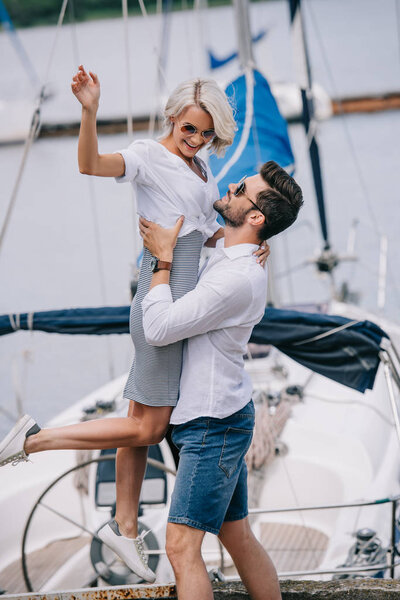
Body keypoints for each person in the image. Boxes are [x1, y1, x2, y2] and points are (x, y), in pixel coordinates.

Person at [0, 67, 268, 582]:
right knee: (150, 425)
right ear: (172, 116)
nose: (196, 140)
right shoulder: (149, 155)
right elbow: (90, 164)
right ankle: (34, 440)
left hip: (180, 290)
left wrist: (256, 241)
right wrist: (89, 111)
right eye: (189, 129)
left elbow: (208, 232)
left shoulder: (201, 171)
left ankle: (123, 532)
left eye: (207, 134)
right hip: (161, 291)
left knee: (138, 422)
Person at [137, 160, 304, 600]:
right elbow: (208, 219)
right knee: (238, 538)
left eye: (242, 187)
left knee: (180, 548)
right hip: (217, 416)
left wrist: (162, 259)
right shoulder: (233, 256)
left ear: (255, 218)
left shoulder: (236, 276)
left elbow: (158, 328)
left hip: (213, 424)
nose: (232, 184)